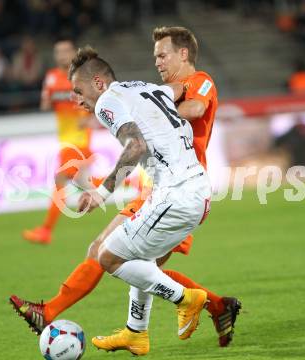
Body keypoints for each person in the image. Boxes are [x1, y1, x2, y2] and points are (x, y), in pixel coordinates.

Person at [10, 27, 241, 353]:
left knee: (106, 253)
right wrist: (149, 100)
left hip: (178, 186)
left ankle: (49, 312)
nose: (157, 61)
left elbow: (195, 109)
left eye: (163, 54)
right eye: (155, 56)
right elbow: (157, 101)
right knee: (143, 265)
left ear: (183, 54)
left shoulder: (200, 81)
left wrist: (147, 109)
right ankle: (181, 318)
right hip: (166, 185)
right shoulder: (155, 89)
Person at [72, 45, 212, 344]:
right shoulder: (145, 88)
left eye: (78, 90)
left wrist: (100, 193)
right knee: (142, 257)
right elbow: (175, 88)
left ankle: (186, 299)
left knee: (106, 256)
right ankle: (136, 332)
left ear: (98, 83)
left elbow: (135, 147)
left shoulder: (106, 101)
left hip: (176, 194)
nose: (77, 99)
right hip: (195, 189)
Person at [22, 38, 93, 244]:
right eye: (58, 52)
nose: (62, 55)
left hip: (79, 141)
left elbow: (99, 103)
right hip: (65, 140)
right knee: (85, 183)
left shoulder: (83, 76)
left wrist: (89, 117)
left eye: (65, 51)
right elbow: (45, 104)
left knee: (61, 180)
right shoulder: (51, 77)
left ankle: (45, 231)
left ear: (73, 53)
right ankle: (131, 182)